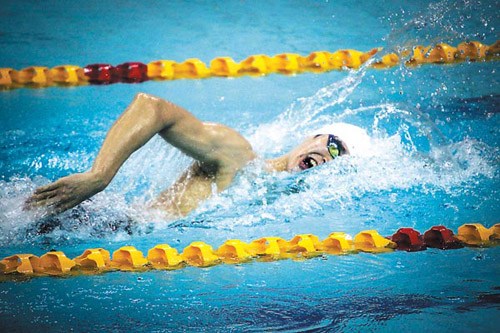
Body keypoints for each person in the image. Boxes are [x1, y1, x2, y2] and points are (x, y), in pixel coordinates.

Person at [25, 93, 349, 217]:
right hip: (92, 221)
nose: (330, 157)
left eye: (341, 159)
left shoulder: (278, 198)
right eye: (333, 145)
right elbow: (152, 107)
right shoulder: (238, 155)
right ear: (312, 138)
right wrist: (99, 176)